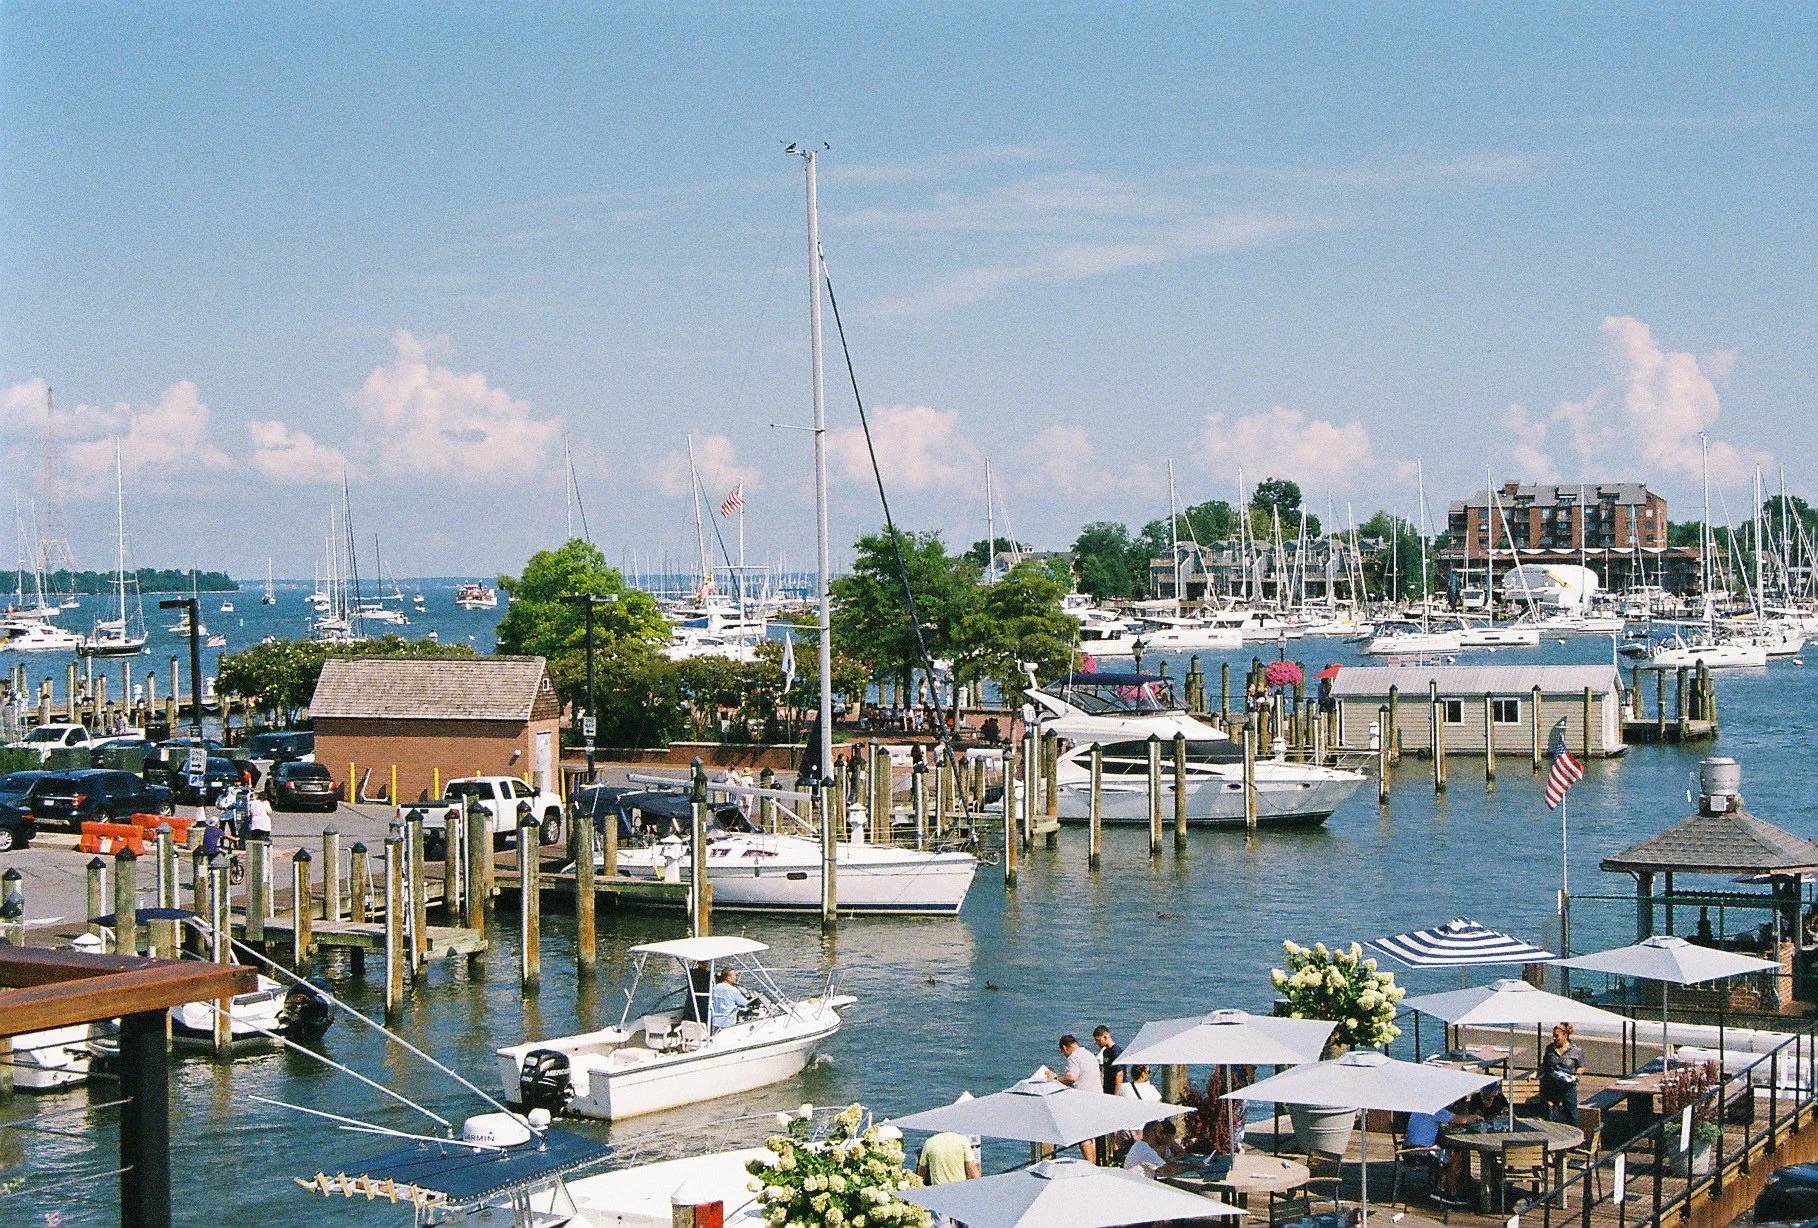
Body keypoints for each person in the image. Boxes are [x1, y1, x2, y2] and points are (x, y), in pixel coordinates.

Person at [1052, 1035, 1102, 1161]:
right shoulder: (1089, 1054)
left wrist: (1054, 1079)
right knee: (1092, 1135)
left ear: (1065, 1048)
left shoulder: (1073, 1057)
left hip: (1084, 1100)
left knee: (1083, 1135)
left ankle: (1089, 1163)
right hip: (1097, 1098)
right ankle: (1094, 1163)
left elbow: (1071, 1077)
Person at [1539, 1022, 1585, 1125]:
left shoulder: (1576, 1050)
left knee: (1572, 1115)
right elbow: (1544, 1065)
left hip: (1567, 1086)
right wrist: (1535, 1073)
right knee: (1550, 1114)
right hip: (1552, 1085)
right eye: (1553, 1036)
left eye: (1556, 1036)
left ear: (1565, 1035)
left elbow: (1581, 1067)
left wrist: (1576, 1075)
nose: (1554, 1038)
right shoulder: (1550, 1048)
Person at [1094, 1025, 1125, 1096]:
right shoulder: (1105, 1051)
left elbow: (1119, 1074)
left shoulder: (1116, 1052)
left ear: (1105, 1037)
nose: (1097, 1043)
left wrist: (1116, 1095)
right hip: (1107, 1088)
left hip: (1115, 1090)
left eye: (1099, 1040)